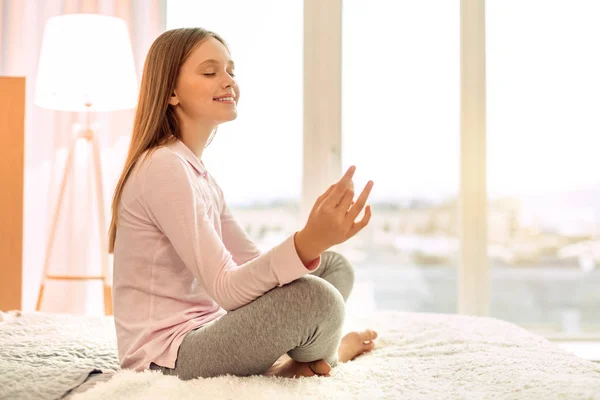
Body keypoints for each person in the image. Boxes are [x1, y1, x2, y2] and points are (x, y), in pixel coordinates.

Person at [107, 27, 377, 380]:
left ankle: (303, 358)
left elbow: (249, 262)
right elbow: (226, 288)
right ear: (171, 92)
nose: (228, 81)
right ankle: (331, 352)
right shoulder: (162, 167)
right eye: (210, 71)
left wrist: (315, 244)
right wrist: (307, 241)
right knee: (317, 298)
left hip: (212, 325)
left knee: (333, 268)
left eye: (230, 71)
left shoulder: (195, 171)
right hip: (170, 356)